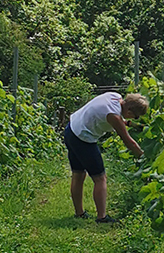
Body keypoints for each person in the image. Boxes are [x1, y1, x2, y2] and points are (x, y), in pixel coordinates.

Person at [64, 91, 149, 222]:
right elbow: (128, 141)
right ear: (130, 112)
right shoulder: (113, 116)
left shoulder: (114, 96)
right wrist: (144, 157)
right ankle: (102, 217)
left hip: (71, 130)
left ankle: (79, 213)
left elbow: (104, 113)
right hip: (83, 139)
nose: (134, 119)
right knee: (100, 178)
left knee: (78, 174)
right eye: (136, 117)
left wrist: (130, 124)